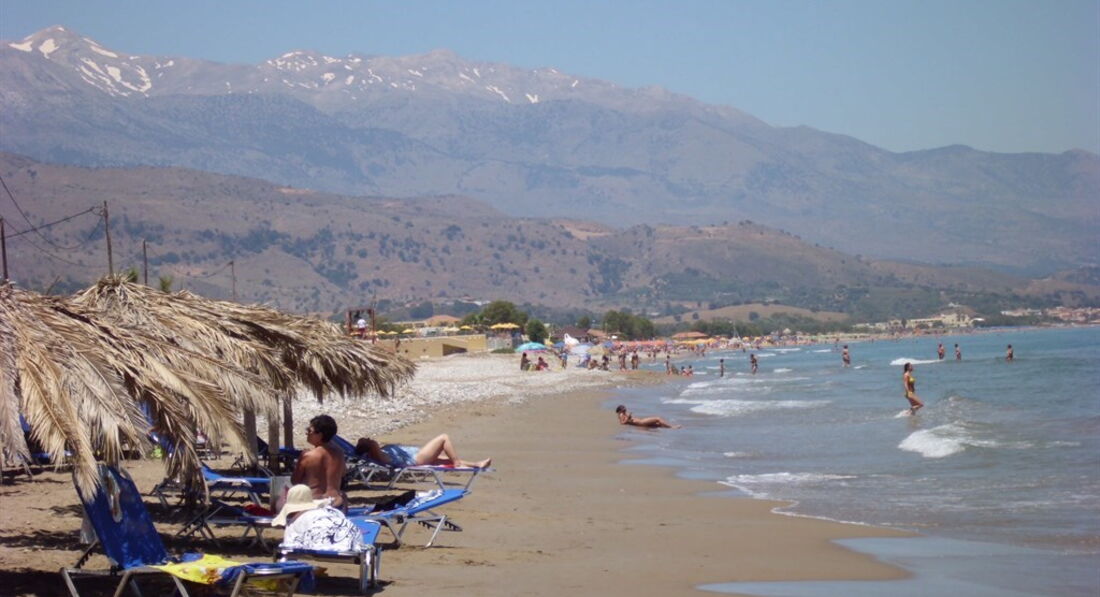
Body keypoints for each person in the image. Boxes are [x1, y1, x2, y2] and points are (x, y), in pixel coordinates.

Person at [274, 484, 367, 552]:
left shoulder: (295, 523)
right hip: (352, 532)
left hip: (324, 537)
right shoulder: (328, 509)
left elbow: (288, 546)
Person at [291, 414, 348, 511]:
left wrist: (300, 459)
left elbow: (295, 481)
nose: (306, 433)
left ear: (320, 435)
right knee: (343, 495)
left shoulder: (308, 456)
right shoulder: (339, 453)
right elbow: (343, 473)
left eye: (309, 430)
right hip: (337, 505)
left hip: (314, 505)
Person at [355, 433, 491, 469]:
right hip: (416, 458)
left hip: (417, 456)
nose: (369, 438)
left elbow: (367, 444)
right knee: (444, 438)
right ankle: (457, 463)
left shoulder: (379, 453)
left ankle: (476, 464)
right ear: (370, 447)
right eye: (368, 440)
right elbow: (372, 444)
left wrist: (366, 444)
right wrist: (369, 444)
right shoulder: (380, 456)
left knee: (445, 459)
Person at [615, 405, 681, 429]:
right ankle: (672, 427)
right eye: (624, 408)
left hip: (640, 424)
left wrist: (628, 417)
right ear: (620, 410)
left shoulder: (623, 414)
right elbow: (622, 423)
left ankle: (669, 428)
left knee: (658, 425)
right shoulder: (621, 414)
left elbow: (627, 421)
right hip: (641, 422)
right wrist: (628, 417)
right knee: (657, 419)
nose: (625, 409)